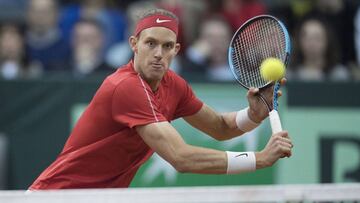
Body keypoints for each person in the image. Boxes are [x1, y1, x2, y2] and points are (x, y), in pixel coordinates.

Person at [29, 8, 293, 190]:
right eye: (150, 43)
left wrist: (253, 115)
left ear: (176, 50)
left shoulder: (173, 85)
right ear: (134, 44)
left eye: (167, 46)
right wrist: (260, 158)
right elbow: (181, 157)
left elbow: (220, 128)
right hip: (57, 196)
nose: (158, 53)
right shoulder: (124, 86)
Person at [289, 16, 350, 81]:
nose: (311, 43)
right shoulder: (290, 75)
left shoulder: (339, 74)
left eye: (317, 38)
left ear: (327, 41)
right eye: (307, 38)